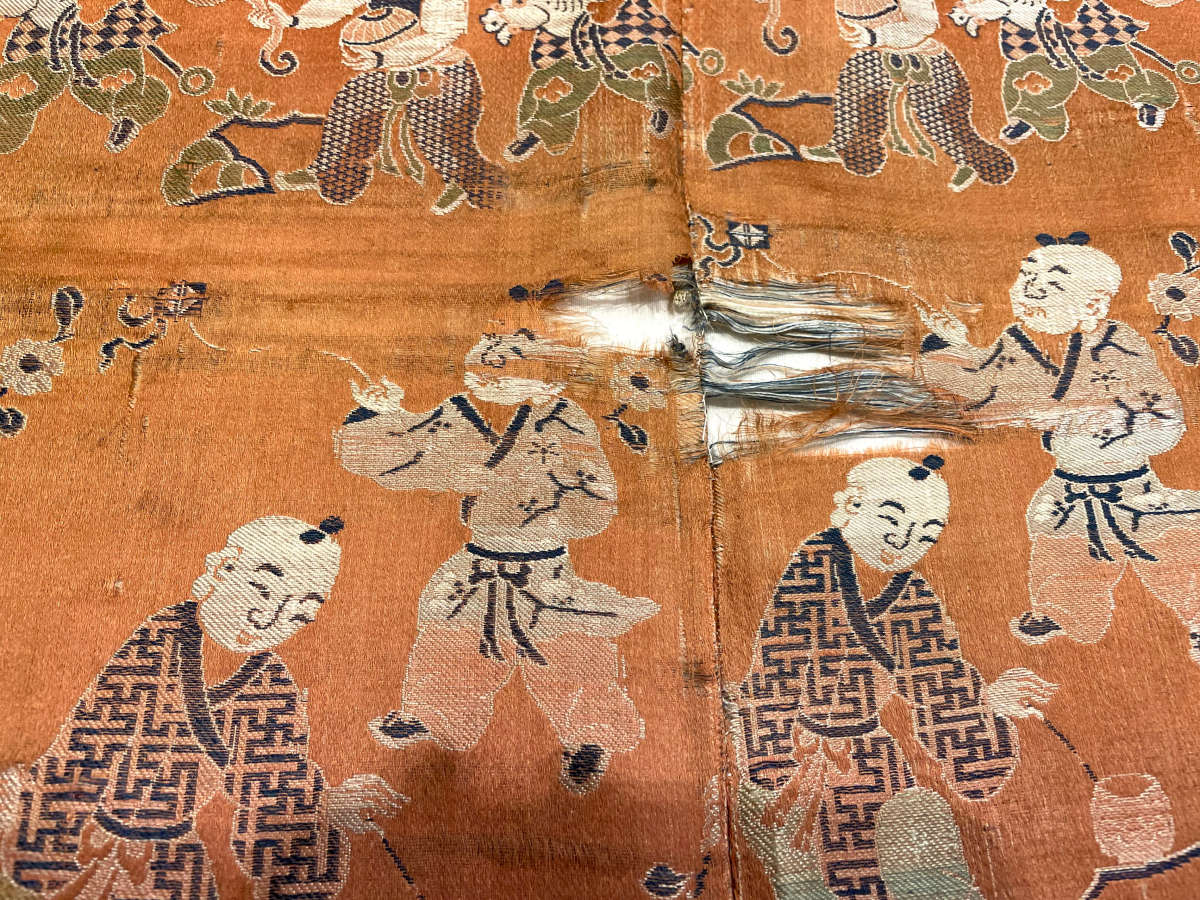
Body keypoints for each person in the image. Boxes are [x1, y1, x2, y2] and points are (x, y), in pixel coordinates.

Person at [0, 516, 403, 899]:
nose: (270, 619)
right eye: (262, 591)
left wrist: (317, 821)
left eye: (298, 614)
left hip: (174, 858)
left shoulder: (271, 684)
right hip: (95, 838)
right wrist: (44, 843)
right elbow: (89, 740)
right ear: (222, 570)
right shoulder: (162, 636)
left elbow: (274, 782)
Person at [334, 330, 659, 793]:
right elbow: (392, 456)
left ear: (548, 382)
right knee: (448, 640)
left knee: (571, 650)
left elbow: (595, 501)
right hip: (476, 564)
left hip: (543, 569)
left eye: (502, 368)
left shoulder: (565, 423)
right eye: (479, 367)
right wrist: (378, 411)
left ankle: (592, 736)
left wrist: (517, 492)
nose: (483, 377)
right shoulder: (457, 415)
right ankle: (432, 715)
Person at [733, 456, 1054, 899]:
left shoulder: (913, 595)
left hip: (871, 753)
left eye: (926, 535)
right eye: (890, 520)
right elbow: (775, 668)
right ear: (850, 508)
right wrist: (770, 759)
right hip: (798, 747)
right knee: (811, 876)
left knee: (909, 861)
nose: (904, 543)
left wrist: (987, 706)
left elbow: (937, 677)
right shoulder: (810, 567)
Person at [919, 233, 1200, 662]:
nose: (1032, 288)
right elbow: (980, 380)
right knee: (1059, 545)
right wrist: (945, 346)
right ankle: (1066, 613)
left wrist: (1105, 429)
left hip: (1131, 483)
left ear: (1094, 305)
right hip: (1068, 484)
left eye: (1053, 282)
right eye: (1027, 277)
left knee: (1173, 546)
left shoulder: (1119, 343)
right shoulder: (1016, 342)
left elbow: (1161, 413)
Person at [248, 0, 506, 211]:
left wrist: (383, 57)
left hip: (442, 71)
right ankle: (332, 174)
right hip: (389, 71)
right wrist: (292, 20)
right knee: (350, 105)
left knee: (437, 133)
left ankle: (469, 183)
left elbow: (441, 35)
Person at [798, 0, 1015, 191]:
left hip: (923, 57)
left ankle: (975, 162)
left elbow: (924, 24)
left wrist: (875, 36)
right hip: (876, 55)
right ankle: (850, 149)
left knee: (940, 118)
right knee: (856, 91)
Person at [949, 0, 1179, 142]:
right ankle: (1035, 115)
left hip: (1079, 19)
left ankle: (1148, 98)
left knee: (1111, 65)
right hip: (1030, 29)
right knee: (1033, 74)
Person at [0, 0, 174, 154]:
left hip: (102, 27)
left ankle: (130, 111)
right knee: (25, 81)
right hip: (46, 31)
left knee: (114, 76)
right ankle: (8, 117)